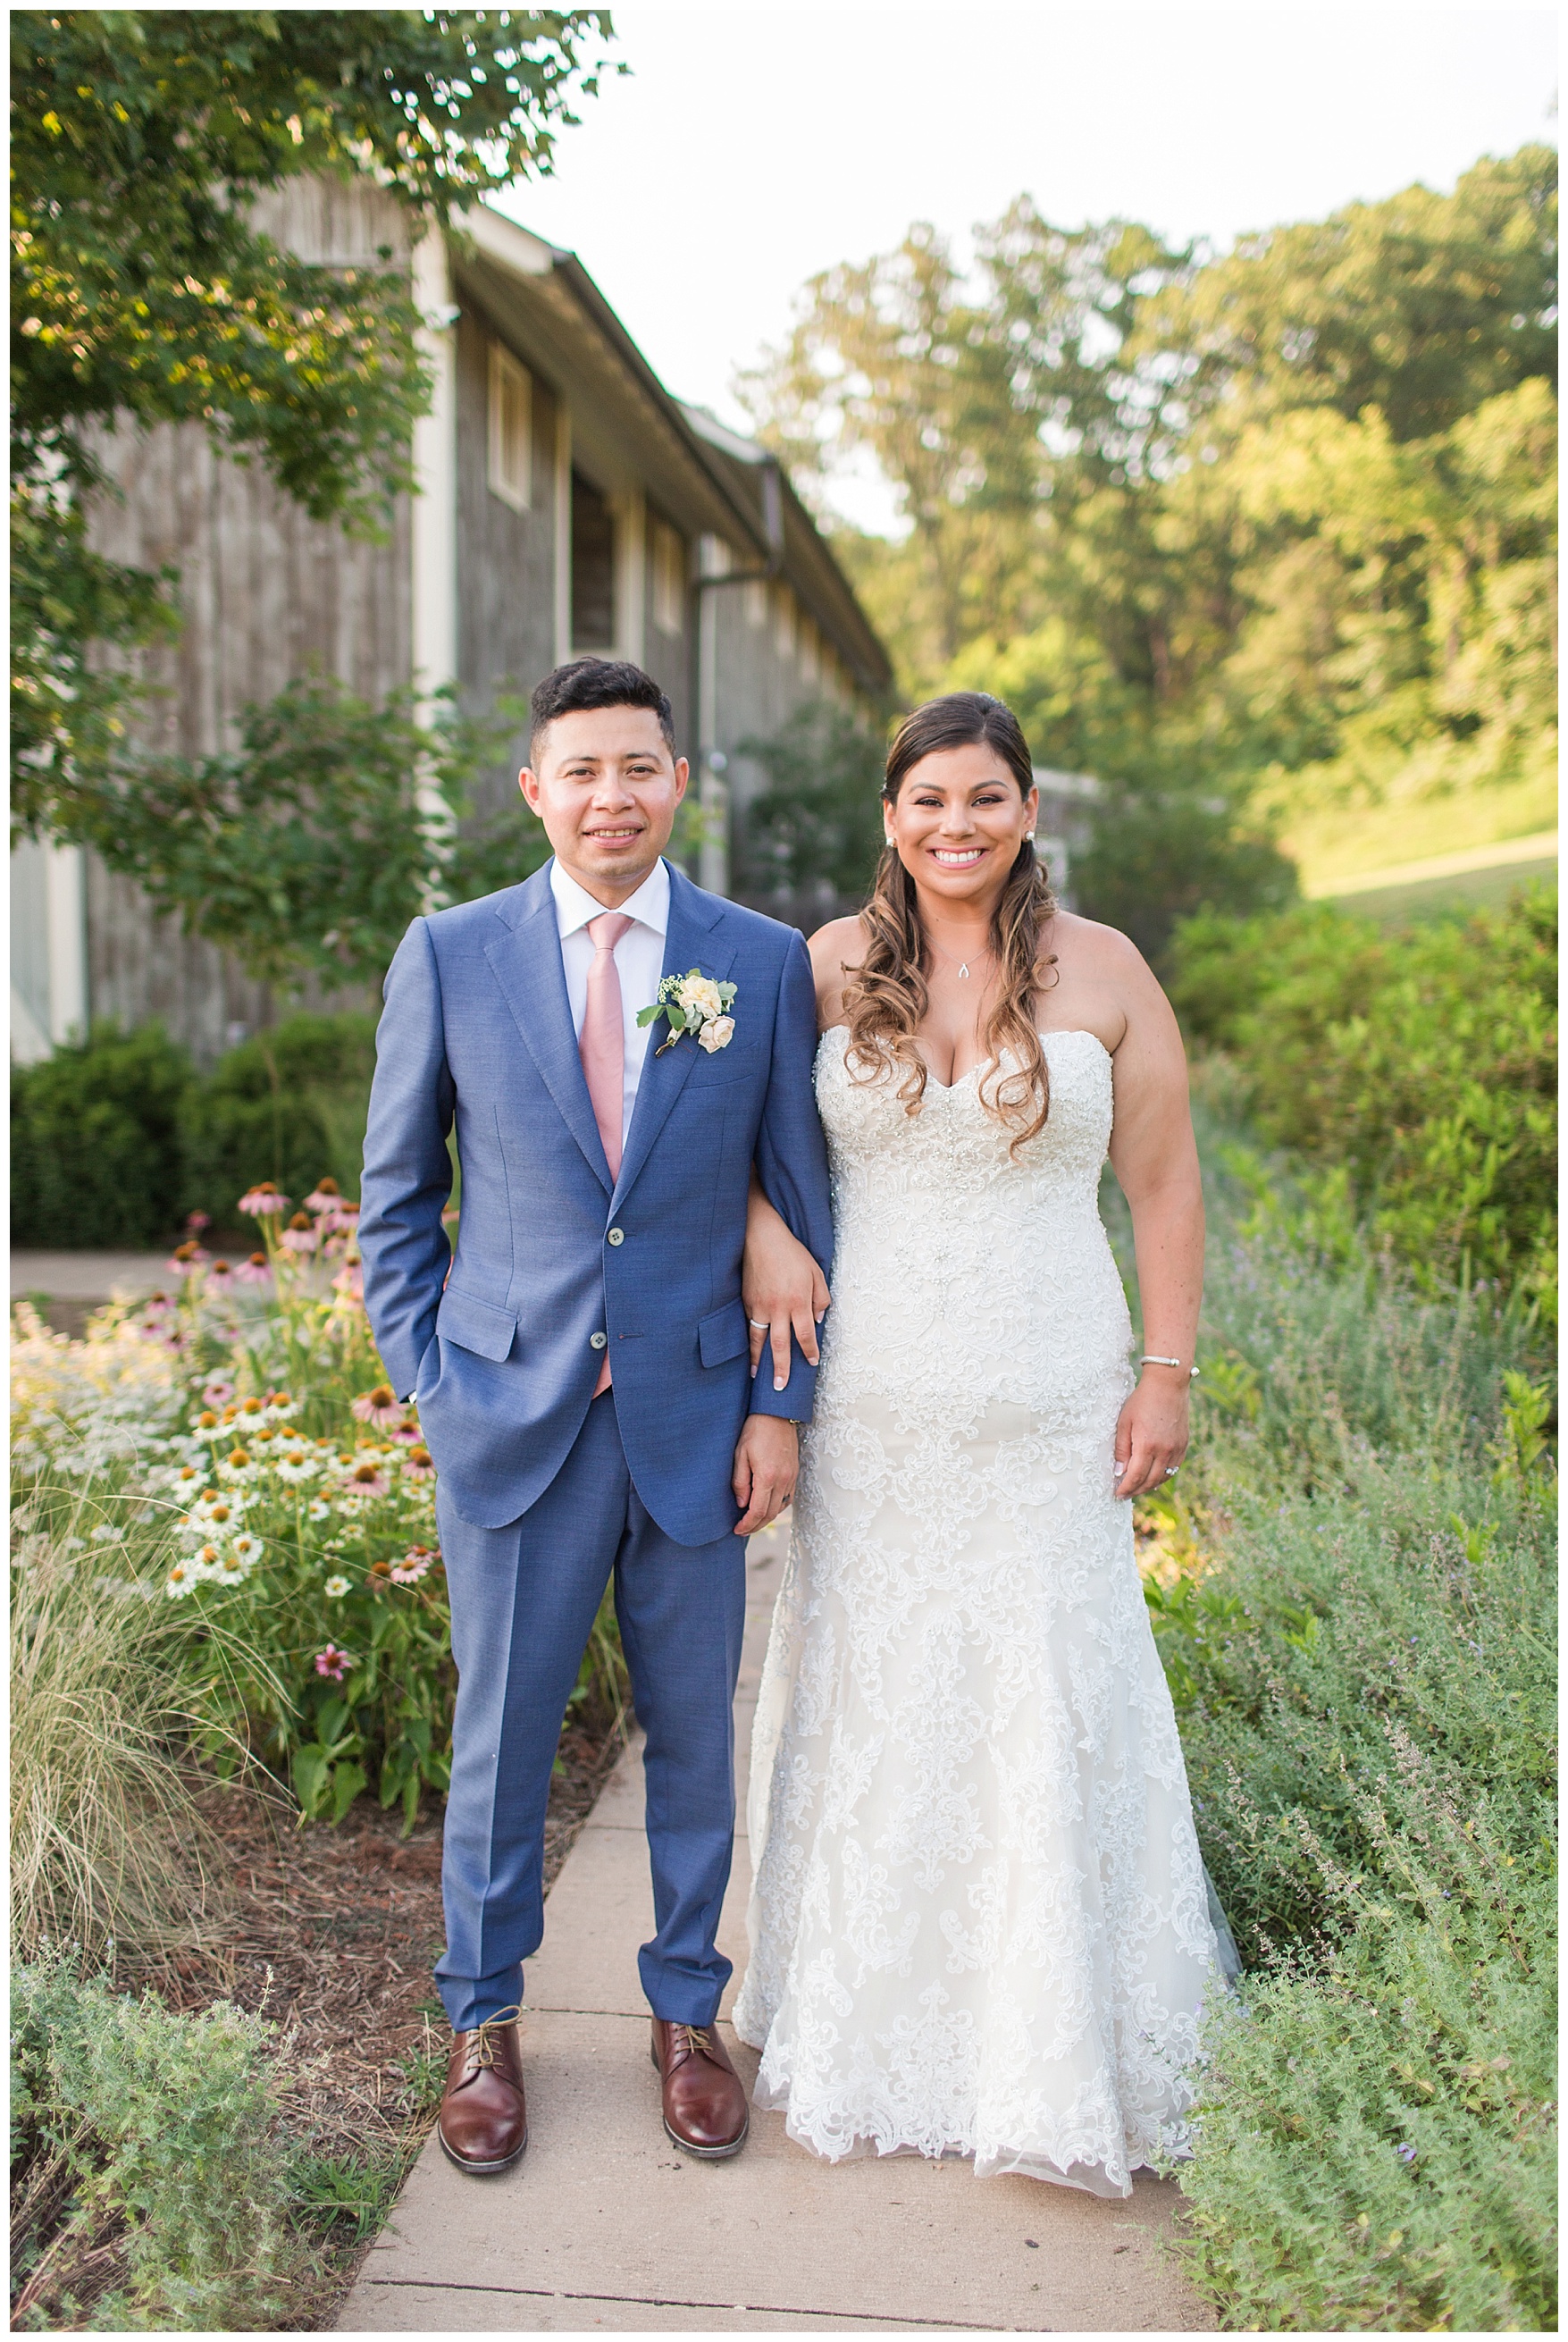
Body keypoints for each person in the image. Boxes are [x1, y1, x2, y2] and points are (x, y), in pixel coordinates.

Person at [733, 690, 1224, 2197]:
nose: (958, 823)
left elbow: (1163, 1187)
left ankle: (1054, 2035)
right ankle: (868, 2019)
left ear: (1027, 814)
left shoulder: (1109, 969)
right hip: (871, 1404)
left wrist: (1166, 1373)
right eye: (930, 798)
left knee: (1050, 1682)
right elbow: (733, 1144)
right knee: (873, 1683)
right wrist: (764, 1231)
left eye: (987, 798)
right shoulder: (817, 967)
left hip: (1048, 1404)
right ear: (890, 816)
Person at [358, 658, 832, 2175]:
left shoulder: (757, 962)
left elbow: (799, 1205)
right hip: (512, 1413)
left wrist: (783, 1408)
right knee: (499, 1739)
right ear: (535, 791)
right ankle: (482, 2018)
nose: (610, 797)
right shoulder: (451, 952)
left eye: (638, 767)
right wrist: (432, 1377)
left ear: (676, 781)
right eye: (582, 771)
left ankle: (688, 2011)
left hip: (699, 1416)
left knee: (699, 1733)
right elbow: (395, 1199)